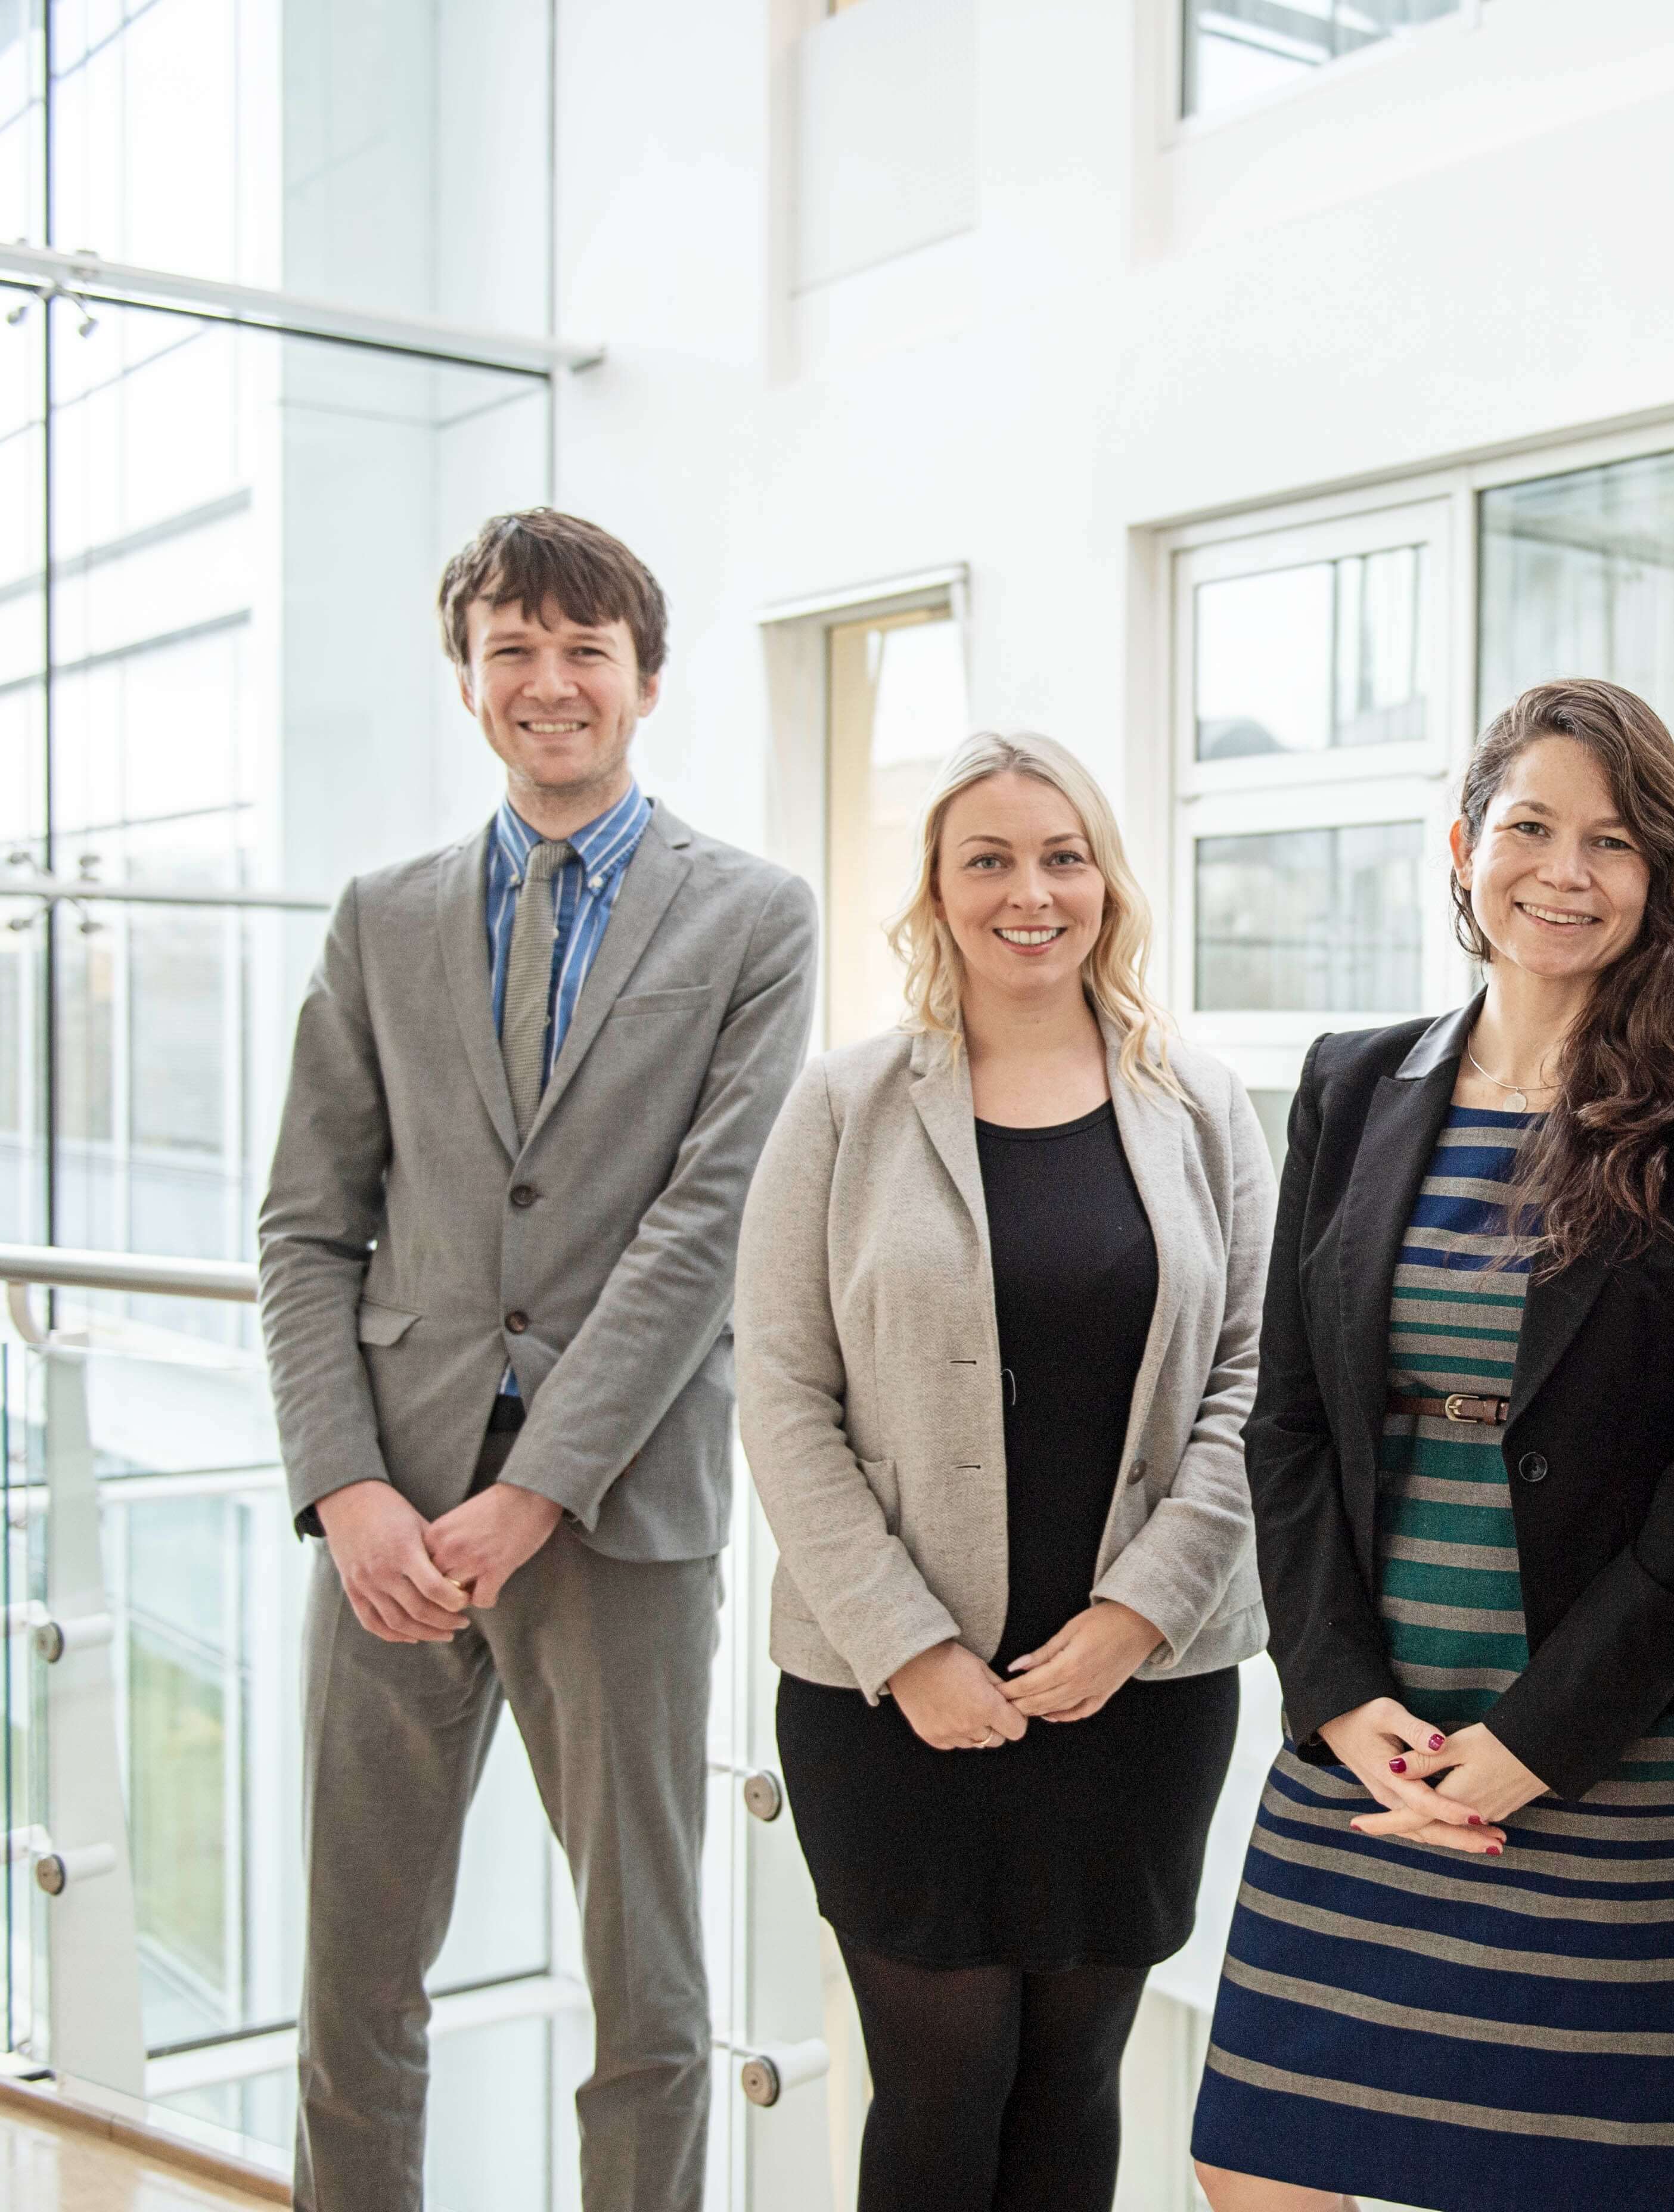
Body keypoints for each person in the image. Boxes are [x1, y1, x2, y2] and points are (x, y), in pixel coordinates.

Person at [256, 508, 819, 2211]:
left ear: (647, 681)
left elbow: (704, 1232)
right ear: (470, 681)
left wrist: (534, 1491)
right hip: (385, 1524)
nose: (549, 682)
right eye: (513, 649)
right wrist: (347, 1489)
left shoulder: (754, 917)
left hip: (618, 1519)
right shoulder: (381, 917)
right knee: (355, 1987)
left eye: (586, 651)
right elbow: (305, 1230)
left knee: (645, 1990)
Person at [1193, 679, 1674, 2212]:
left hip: (1611, 1756)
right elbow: (1294, 1423)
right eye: (1529, 826)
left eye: (1612, 840)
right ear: (1462, 846)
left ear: (1660, 878)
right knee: (1254, 2166)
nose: (1564, 871)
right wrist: (1334, 1696)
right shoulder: (1351, 1079)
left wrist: (1536, 1743)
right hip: (1371, 1734)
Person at [734, 730, 1269, 2212]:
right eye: (989, 858)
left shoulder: (1204, 1104)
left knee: (1075, 2080)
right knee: (939, 2082)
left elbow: (1253, 1382)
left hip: (1138, 1697)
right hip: (889, 1697)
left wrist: (1142, 1613)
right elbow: (780, 1389)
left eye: (1062, 855)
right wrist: (908, 1648)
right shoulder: (842, 1104)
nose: (1030, 891)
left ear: (1107, 879)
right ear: (935, 890)